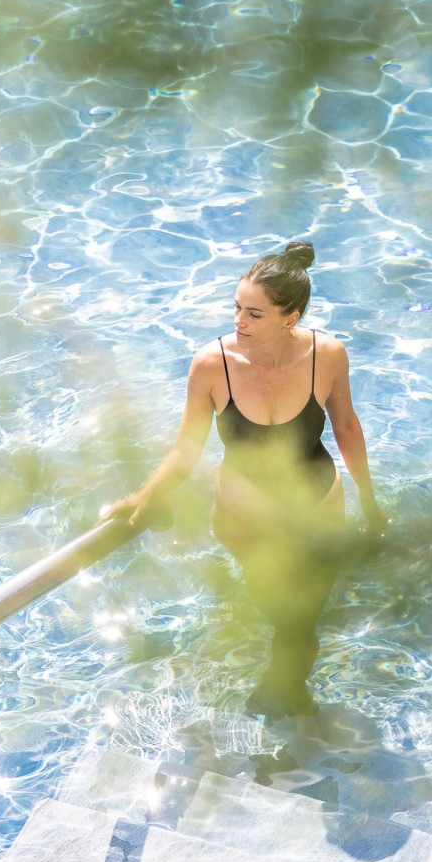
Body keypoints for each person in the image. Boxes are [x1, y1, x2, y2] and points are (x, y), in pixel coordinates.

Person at [102, 240, 387, 718]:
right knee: (273, 602)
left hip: (316, 507)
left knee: (303, 615)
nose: (239, 322)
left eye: (254, 314)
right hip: (244, 516)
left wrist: (370, 502)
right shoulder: (212, 364)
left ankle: (286, 682)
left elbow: (346, 428)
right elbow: (186, 447)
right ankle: (289, 683)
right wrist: (146, 495)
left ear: (290, 316)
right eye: (236, 308)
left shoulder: (327, 356)